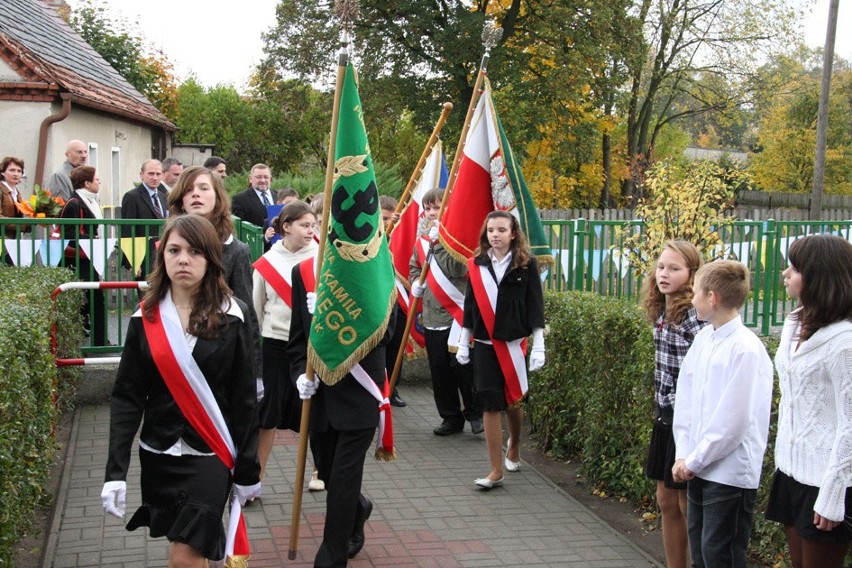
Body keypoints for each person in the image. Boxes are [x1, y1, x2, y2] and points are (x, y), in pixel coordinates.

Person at [101, 214, 261, 566]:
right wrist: (115, 472)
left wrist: (248, 468)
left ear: (210, 260)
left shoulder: (233, 316)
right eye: (174, 250)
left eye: (194, 252)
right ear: (162, 257)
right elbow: (127, 397)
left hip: (211, 453)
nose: (183, 259)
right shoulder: (144, 318)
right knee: (189, 549)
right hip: (158, 452)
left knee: (184, 556)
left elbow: (245, 400)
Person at [287, 253, 396, 565]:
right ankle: (358, 509)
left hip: (360, 394)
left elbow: (388, 333)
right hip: (319, 399)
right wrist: (298, 378)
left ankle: (331, 557)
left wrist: (336, 317)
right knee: (330, 473)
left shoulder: (376, 268)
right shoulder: (304, 272)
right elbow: (296, 342)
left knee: (344, 480)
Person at [672, 260, 773, 568]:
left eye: (696, 293)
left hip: (728, 474)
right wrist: (683, 453)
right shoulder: (703, 339)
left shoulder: (746, 349)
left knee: (721, 554)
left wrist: (695, 459)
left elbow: (734, 421)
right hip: (697, 465)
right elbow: (686, 398)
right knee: (701, 553)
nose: (692, 299)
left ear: (712, 297)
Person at [765, 234, 852, 568]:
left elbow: (849, 425)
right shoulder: (794, 323)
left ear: (819, 276)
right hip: (791, 473)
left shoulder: (843, 341)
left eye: (794, 268)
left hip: (827, 481)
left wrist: (832, 496)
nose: (785, 274)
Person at [457, 210, 545, 488]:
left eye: (501, 230)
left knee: (514, 400)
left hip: (512, 344)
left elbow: (535, 306)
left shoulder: (526, 264)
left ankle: (515, 443)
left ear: (513, 233)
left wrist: (539, 344)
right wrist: (463, 341)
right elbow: (470, 306)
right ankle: (495, 469)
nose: (495, 235)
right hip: (484, 345)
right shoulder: (476, 265)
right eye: (491, 230)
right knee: (489, 403)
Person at [639, 240, 705, 568]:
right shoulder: (660, 308)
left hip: (688, 419)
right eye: (661, 266)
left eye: (674, 269)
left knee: (685, 502)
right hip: (664, 416)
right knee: (665, 499)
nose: (664, 274)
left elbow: (706, 371)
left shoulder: (694, 314)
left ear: (692, 275)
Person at [167, 165, 262, 389]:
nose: (196, 194)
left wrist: (255, 373)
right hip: (174, 350)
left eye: (203, 188)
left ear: (217, 198)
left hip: (218, 355)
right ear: (181, 199)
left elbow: (246, 313)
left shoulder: (236, 250)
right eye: (188, 190)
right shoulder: (166, 245)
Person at [251, 201, 320, 486]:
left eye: (313, 226)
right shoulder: (267, 262)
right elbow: (256, 308)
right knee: (268, 414)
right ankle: (255, 476)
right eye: (304, 225)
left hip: (311, 346)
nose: (310, 231)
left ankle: (320, 471)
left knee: (314, 413)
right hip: (276, 345)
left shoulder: (321, 258)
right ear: (286, 227)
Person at [411, 188, 481, 433]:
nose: (431, 212)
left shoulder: (456, 240)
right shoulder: (422, 240)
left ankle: (475, 413)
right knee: (439, 370)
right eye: (428, 208)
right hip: (431, 313)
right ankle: (451, 418)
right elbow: (414, 267)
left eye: (436, 207)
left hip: (457, 313)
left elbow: (456, 268)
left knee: (462, 366)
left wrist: (441, 241)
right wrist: (415, 284)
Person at [61, 166, 108, 346]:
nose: (99, 182)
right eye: (96, 179)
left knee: (96, 299)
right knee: (85, 300)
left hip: (90, 257)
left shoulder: (91, 201)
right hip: (77, 259)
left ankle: (100, 340)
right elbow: (70, 233)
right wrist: (93, 239)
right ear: (87, 183)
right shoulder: (74, 203)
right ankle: (91, 343)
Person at [380, 194, 406, 407]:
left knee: (396, 347)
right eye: (383, 218)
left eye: (390, 219)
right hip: (378, 300)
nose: (386, 223)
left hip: (398, 300)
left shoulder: (401, 235)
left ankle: (393, 388)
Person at [120, 159, 167, 279]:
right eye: (151, 174)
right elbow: (127, 230)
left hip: (162, 255)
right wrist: (133, 261)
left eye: (158, 174)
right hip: (143, 256)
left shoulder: (163, 196)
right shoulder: (132, 196)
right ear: (141, 175)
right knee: (146, 294)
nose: (155, 178)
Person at [232, 163, 274, 251]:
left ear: (270, 178)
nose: (263, 180)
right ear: (250, 179)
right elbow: (239, 231)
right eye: (258, 177)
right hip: (255, 251)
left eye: (266, 177)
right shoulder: (240, 199)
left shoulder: (278, 196)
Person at [1, 157, 29, 258]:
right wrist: (24, 225)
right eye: (12, 170)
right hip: (3, 241)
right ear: (3, 172)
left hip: (12, 241)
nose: (16, 174)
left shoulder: (16, 193)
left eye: (19, 171)